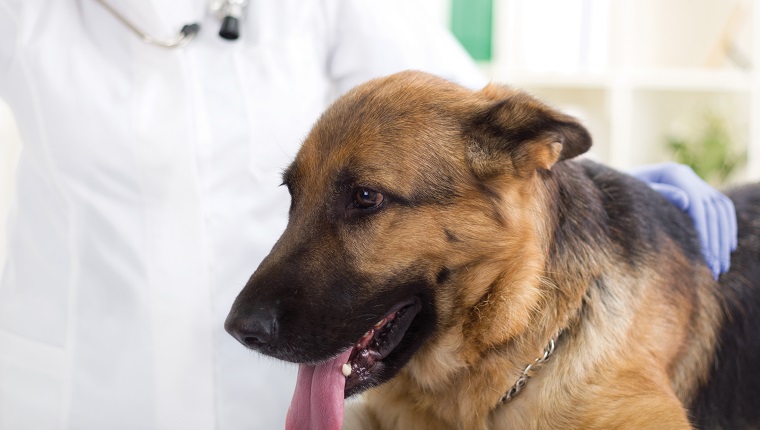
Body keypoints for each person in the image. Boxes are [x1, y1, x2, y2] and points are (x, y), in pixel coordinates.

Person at [0, 1, 735, 429]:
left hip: (307, 371)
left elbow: (451, 116)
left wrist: (614, 181)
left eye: (366, 203)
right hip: (89, 389)